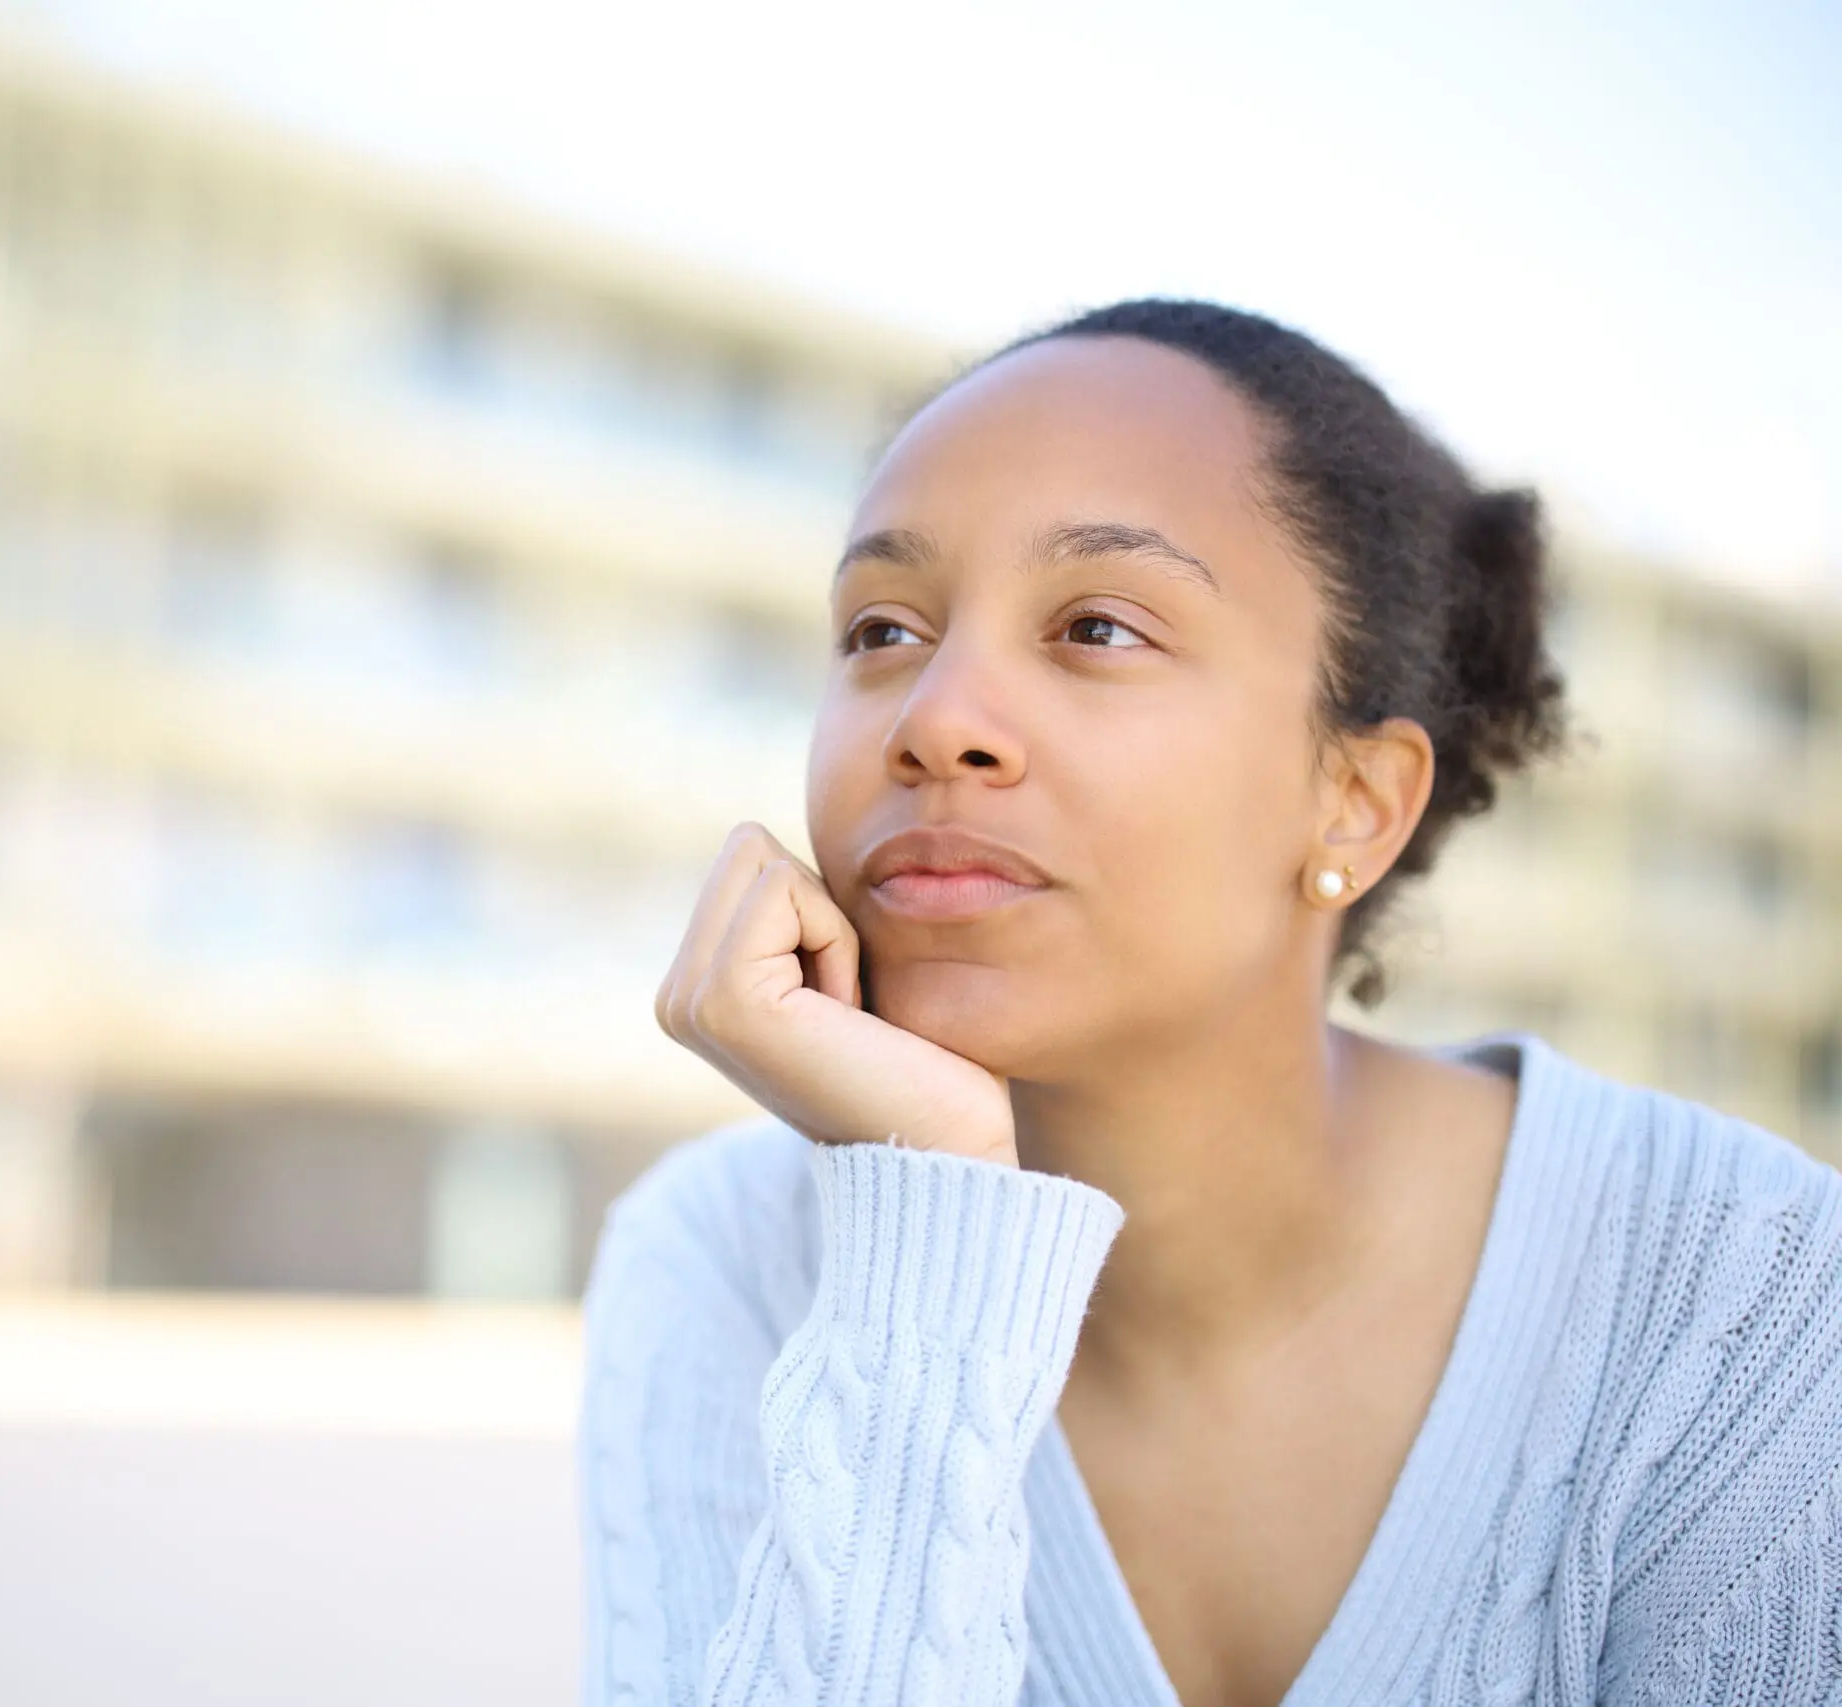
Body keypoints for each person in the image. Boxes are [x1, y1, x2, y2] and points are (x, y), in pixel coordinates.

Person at [576, 298, 1842, 1707]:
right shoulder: (721, 1264)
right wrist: (928, 1231)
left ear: (1355, 801)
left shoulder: (1749, 1299)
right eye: (883, 627)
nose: (936, 717)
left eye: (1099, 626)